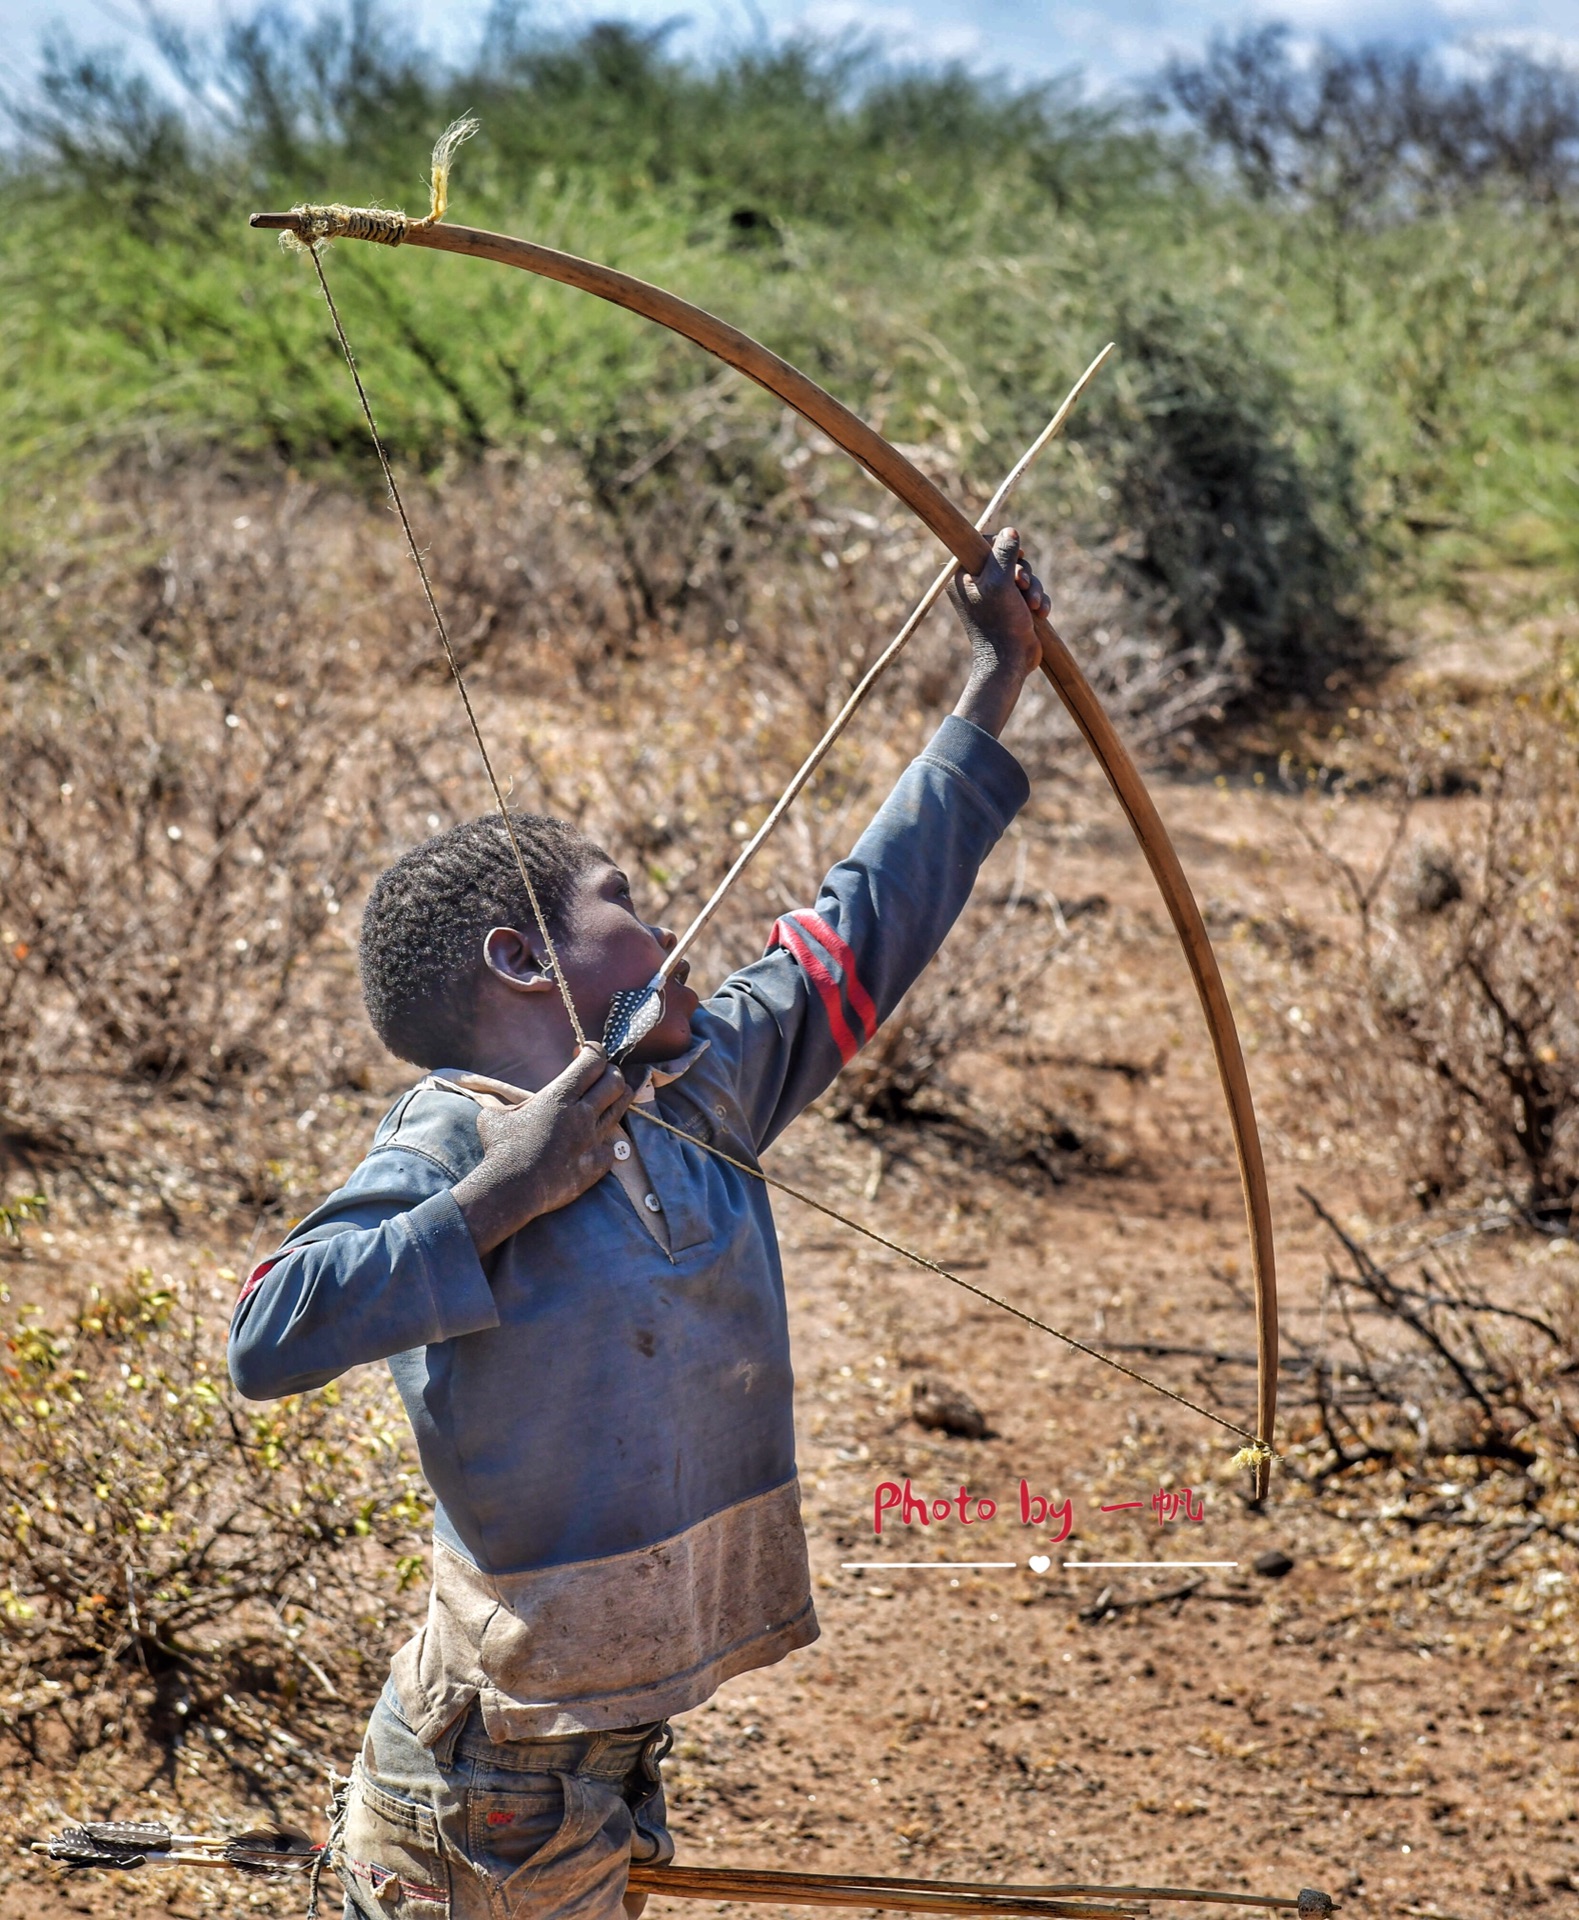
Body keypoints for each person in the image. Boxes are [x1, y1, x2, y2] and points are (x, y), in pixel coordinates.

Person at [229, 530, 1049, 1920]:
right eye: (622, 900)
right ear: (521, 958)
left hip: (595, 1759)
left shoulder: (703, 1081)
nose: (666, 927)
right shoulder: (456, 1132)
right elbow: (268, 1332)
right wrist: (506, 1189)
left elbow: (870, 914)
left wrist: (997, 672)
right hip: (482, 1782)